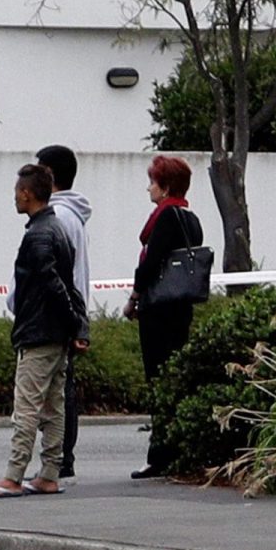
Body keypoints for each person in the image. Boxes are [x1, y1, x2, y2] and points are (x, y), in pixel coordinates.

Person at [0, 163, 88, 499]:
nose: (14, 198)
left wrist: (70, 321)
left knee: (26, 407)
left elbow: (53, 286)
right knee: (54, 407)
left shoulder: (38, 234)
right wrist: (78, 327)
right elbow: (72, 287)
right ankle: (49, 474)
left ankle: (13, 475)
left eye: (17, 192)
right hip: (57, 338)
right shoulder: (59, 230)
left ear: (27, 193)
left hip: (38, 334)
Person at [126, 153, 203, 479]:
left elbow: (151, 262)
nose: (148, 189)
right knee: (175, 379)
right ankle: (178, 449)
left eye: (152, 182)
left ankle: (159, 454)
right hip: (181, 308)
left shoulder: (166, 217)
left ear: (165, 185)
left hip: (159, 310)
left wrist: (134, 297)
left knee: (158, 380)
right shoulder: (191, 218)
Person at [35, 144, 91, 482]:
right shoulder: (73, 216)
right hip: (70, 310)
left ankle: (59, 458)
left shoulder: (58, 218)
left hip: (57, 314)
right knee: (60, 387)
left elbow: (55, 273)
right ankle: (60, 457)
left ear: (50, 176)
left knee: (55, 390)